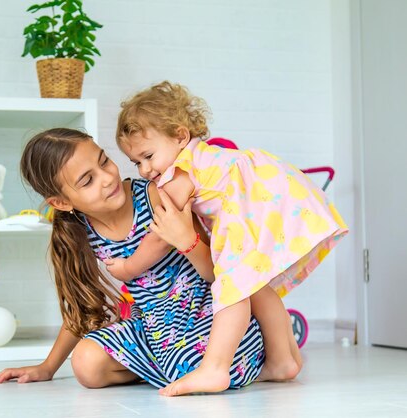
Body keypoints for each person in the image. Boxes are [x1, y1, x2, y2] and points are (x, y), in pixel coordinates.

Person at [104, 81, 349, 395]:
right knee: (255, 286)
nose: (144, 169)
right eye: (136, 162)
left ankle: (215, 368)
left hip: (249, 207)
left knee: (230, 286)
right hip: (263, 200)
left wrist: (129, 268)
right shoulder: (200, 155)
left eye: (148, 156)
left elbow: (163, 234)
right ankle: (284, 359)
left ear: (179, 135)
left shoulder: (180, 171)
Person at [0, 128, 276, 394]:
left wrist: (186, 241)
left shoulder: (159, 196)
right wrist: (47, 367)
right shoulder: (81, 232)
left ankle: (201, 367)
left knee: (192, 363)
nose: (106, 177)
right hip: (153, 327)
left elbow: (222, 275)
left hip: (206, 312)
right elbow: (80, 309)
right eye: (88, 180)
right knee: (86, 365)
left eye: (104, 161)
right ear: (62, 203)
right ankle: (164, 368)